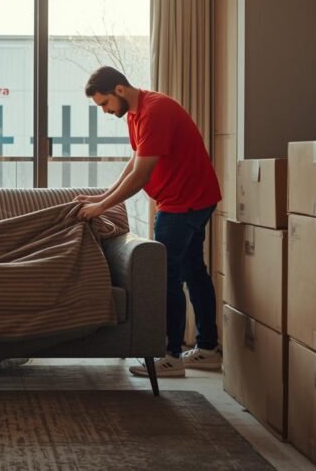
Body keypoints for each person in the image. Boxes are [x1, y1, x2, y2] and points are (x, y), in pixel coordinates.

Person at [76, 66, 222, 378]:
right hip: (193, 198)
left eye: (104, 104)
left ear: (119, 89)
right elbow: (134, 163)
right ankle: (208, 349)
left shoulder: (155, 111)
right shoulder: (134, 113)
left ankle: (171, 356)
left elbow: (141, 177)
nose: (104, 111)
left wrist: (102, 206)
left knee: (167, 276)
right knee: (194, 270)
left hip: (183, 203)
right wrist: (102, 196)